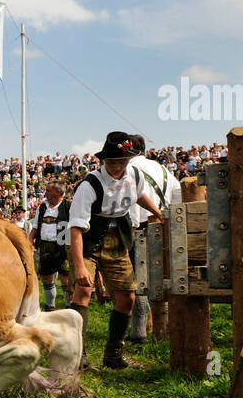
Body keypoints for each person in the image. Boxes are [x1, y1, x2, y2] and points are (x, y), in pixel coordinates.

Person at [68, 132, 163, 369]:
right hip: (89, 240)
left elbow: (139, 196)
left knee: (127, 297)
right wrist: (79, 265)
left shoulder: (134, 174)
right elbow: (76, 230)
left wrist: (160, 213)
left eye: (122, 161)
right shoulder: (89, 185)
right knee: (83, 291)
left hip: (119, 238)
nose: (117, 167)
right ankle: (78, 354)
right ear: (103, 161)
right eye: (112, 162)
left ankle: (114, 355)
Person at [126, 134, 182, 342]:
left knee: (139, 278)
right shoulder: (163, 169)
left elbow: (129, 203)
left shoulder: (127, 170)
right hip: (163, 225)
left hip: (137, 227)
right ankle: (162, 330)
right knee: (159, 275)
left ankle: (139, 331)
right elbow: (178, 196)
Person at [28, 183, 71, 311]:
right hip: (45, 246)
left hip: (63, 246)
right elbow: (35, 226)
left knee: (65, 276)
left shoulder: (68, 206)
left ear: (57, 192)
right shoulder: (42, 207)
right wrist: (30, 240)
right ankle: (50, 306)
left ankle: (69, 306)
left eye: (48, 190)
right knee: (47, 276)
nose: (45, 192)